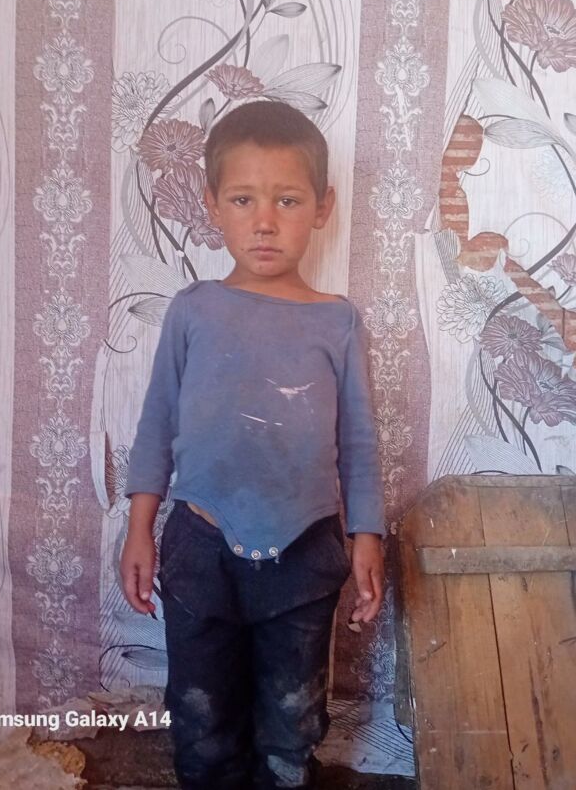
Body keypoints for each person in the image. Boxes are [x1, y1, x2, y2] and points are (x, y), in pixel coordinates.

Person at [120, 100, 385, 790]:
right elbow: (157, 423)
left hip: (304, 551)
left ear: (322, 207)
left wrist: (367, 536)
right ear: (212, 205)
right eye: (243, 199)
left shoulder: (337, 322)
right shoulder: (193, 310)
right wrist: (139, 527)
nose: (265, 221)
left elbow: (358, 440)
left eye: (287, 200)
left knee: (290, 725)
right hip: (199, 544)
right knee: (201, 717)